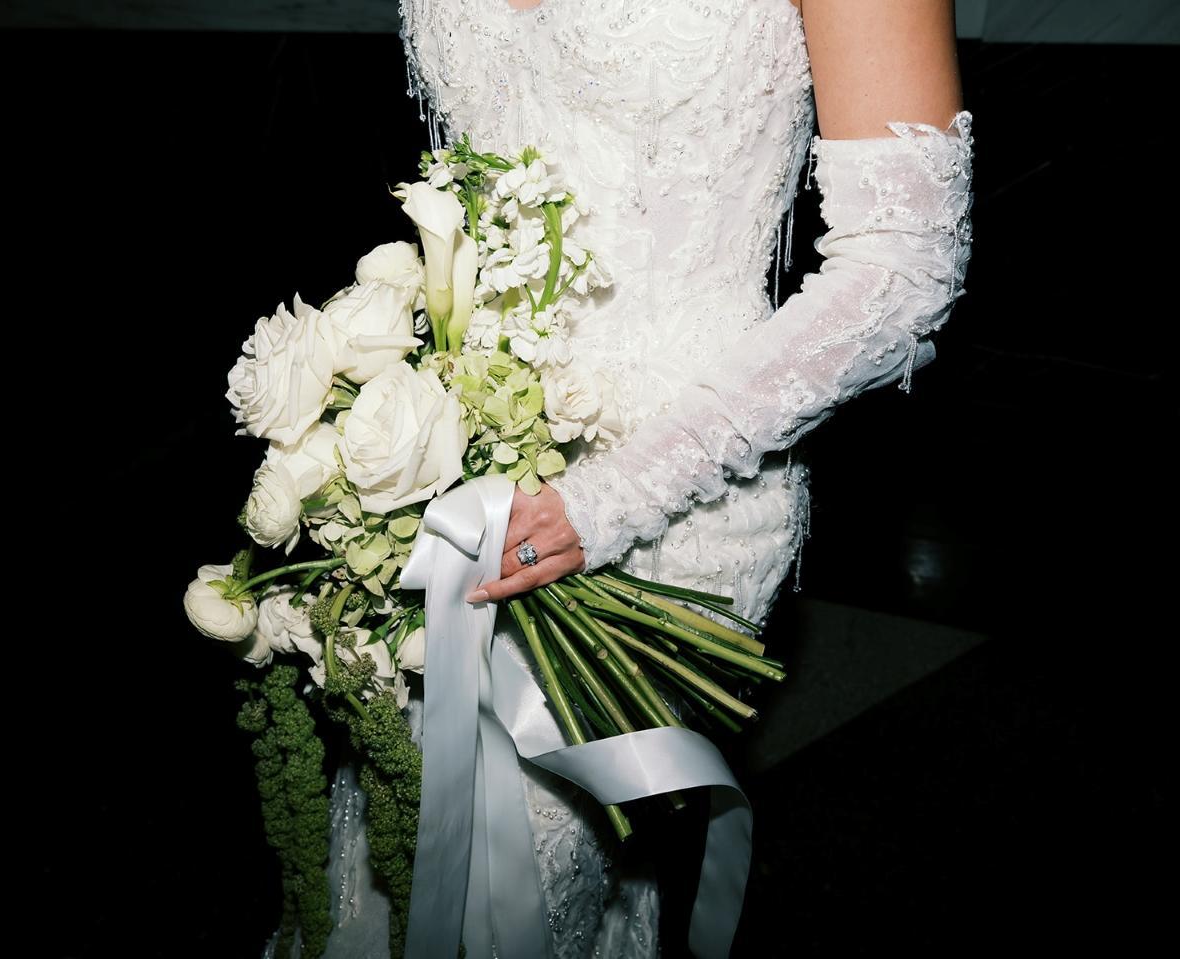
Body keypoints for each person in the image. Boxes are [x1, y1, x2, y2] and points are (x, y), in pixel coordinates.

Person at [279, 1, 975, 956]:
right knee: (384, 846)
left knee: (493, 887)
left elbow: (903, 267)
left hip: (681, 489)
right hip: (446, 455)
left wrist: (608, 499)